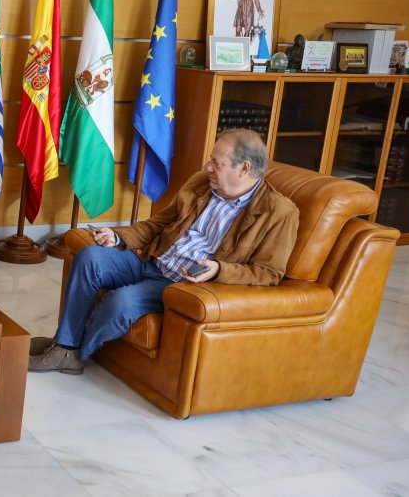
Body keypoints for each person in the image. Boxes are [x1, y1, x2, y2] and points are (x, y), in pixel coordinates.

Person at [30, 129, 299, 374]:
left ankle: (70, 351)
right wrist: (118, 237)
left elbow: (268, 273)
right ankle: (64, 345)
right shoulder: (201, 183)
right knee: (90, 257)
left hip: (179, 284)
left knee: (121, 303)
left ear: (244, 169)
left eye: (216, 162)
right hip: (153, 260)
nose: (207, 167)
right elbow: (159, 223)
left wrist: (219, 270)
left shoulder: (279, 213)